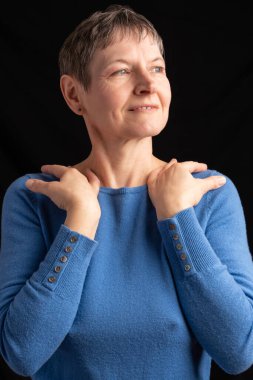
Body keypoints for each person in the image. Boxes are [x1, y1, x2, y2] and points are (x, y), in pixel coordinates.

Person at [0, 4, 252, 380]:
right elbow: (22, 352)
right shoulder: (35, 196)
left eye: (157, 68)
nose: (148, 84)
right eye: (121, 70)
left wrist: (177, 217)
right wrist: (80, 223)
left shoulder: (210, 193)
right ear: (74, 94)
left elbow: (239, 351)